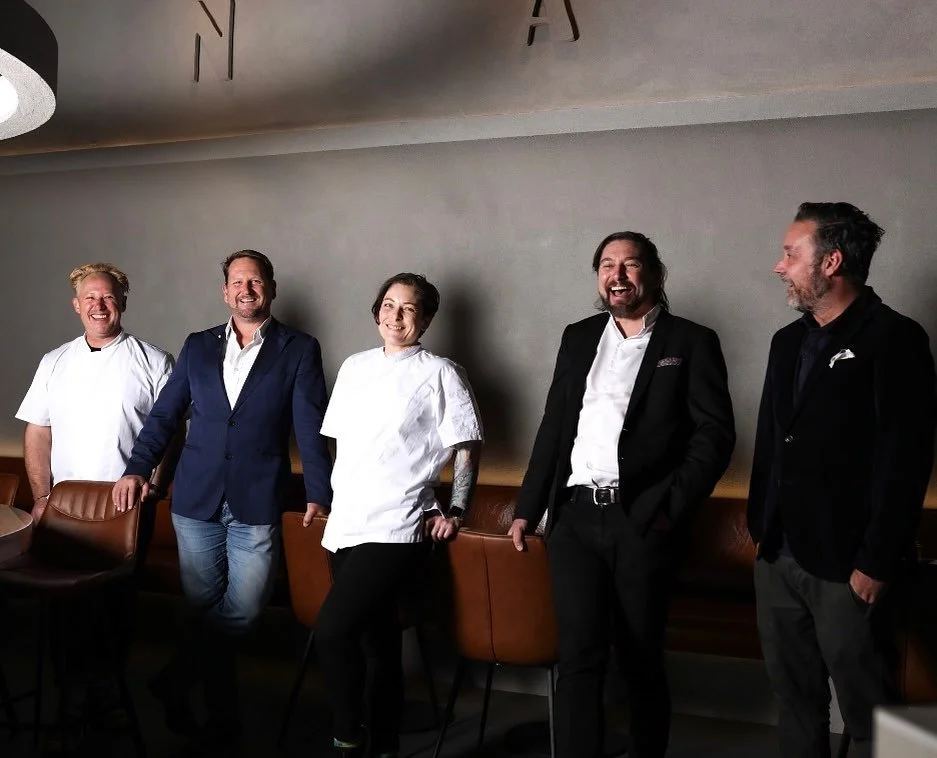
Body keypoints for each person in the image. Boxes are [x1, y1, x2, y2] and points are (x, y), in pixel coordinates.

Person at [508, 232, 735, 758]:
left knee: (640, 659)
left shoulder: (691, 340)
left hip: (644, 520)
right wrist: (528, 508)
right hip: (575, 519)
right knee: (578, 657)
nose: (618, 275)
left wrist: (669, 507)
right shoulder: (578, 336)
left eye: (630, 264)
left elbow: (715, 436)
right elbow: (554, 426)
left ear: (654, 274)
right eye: (608, 265)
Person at [112, 249, 332, 748]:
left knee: (242, 611)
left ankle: (172, 682)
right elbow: (165, 415)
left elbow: (310, 426)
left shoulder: (299, 348)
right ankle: (223, 723)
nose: (246, 290)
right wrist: (137, 468)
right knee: (202, 612)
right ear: (225, 291)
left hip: (258, 499)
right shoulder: (197, 345)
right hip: (196, 500)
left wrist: (319, 492)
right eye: (237, 282)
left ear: (270, 288)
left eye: (255, 281)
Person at [748, 202, 936, 758]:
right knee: (795, 701)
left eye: (791, 254)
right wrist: (760, 528)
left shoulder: (896, 338)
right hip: (778, 556)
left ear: (830, 262)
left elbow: (906, 460)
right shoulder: (786, 342)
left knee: (878, 713)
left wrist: (876, 561)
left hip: (852, 565)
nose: (779, 266)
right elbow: (771, 443)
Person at [315, 272, 482, 757]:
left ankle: (347, 739)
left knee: (333, 631)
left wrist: (457, 508)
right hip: (347, 522)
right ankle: (385, 745)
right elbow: (337, 439)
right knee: (378, 642)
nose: (396, 315)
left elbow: (467, 445)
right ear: (377, 312)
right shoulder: (354, 367)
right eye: (389, 304)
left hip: (398, 524)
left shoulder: (441, 372)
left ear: (425, 320)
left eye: (409, 308)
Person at [15, 262, 178, 740]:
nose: (99, 305)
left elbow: (173, 433)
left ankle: (107, 699)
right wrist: (41, 497)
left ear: (122, 303)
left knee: (114, 607)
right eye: (90, 297)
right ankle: (69, 697)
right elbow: (38, 432)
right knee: (65, 610)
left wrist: (156, 484)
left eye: (108, 297)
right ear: (76, 305)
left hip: (124, 510)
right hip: (64, 509)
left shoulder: (154, 361)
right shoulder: (54, 362)